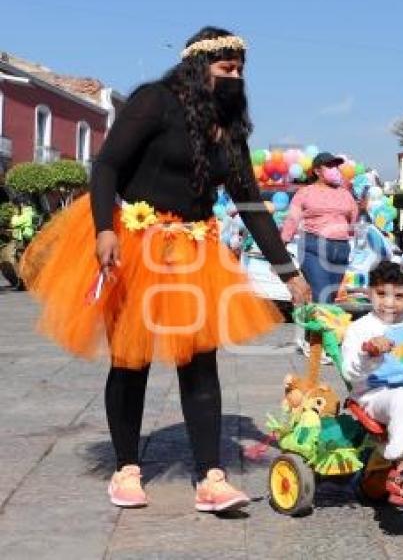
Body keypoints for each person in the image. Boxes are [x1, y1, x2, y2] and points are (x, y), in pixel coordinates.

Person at [20, 27, 311, 512]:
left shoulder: (231, 124)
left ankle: (211, 477)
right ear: (199, 67)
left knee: (200, 360)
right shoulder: (154, 100)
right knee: (130, 358)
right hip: (134, 241)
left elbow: (251, 204)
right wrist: (103, 230)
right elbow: (108, 165)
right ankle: (127, 469)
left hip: (195, 251)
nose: (235, 76)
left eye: (240, 69)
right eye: (225, 68)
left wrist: (289, 272)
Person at [340, 261, 403, 507]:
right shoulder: (360, 328)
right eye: (381, 294)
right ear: (369, 292)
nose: (389, 303)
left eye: (399, 296)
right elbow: (350, 372)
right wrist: (368, 353)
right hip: (375, 395)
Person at [281, 151, 359, 304]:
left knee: (329, 299)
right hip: (314, 247)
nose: (335, 169)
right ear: (317, 171)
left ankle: (315, 327)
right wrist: (282, 244)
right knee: (322, 296)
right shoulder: (305, 192)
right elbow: (292, 219)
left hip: (341, 249)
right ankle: (320, 326)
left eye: (336, 166)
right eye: (329, 166)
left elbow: (353, 220)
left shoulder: (345, 194)